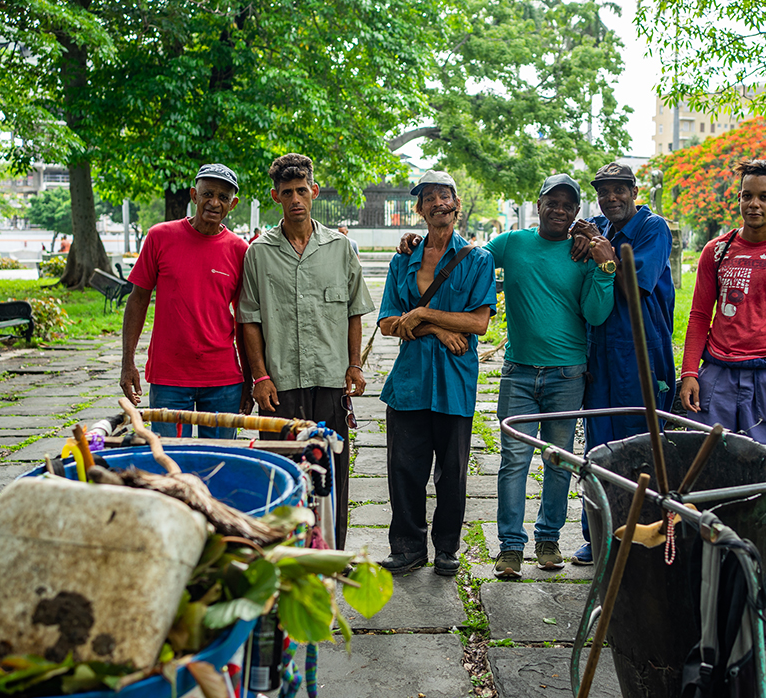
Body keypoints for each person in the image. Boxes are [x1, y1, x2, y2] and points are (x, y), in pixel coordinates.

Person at [396, 174, 617, 578]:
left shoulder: (582, 253)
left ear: (576, 212)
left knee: (558, 462)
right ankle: (511, 547)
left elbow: (596, 314)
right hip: (518, 372)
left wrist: (604, 269)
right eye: (552, 202)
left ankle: (548, 540)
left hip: (568, 373)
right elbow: (465, 258)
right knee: (513, 462)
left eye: (569, 205)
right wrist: (418, 240)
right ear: (538, 205)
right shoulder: (512, 243)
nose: (559, 210)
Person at [238, 153, 374, 551]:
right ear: (275, 196)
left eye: (302, 190)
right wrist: (259, 376)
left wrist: (354, 365)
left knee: (331, 470)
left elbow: (353, 311)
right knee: (282, 468)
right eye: (286, 193)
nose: (295, 198)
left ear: (313, 192)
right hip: (280, 384)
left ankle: (331, 550)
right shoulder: (258, 254)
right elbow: (250, 319)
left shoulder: (340, 248)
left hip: (331, 380)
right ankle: (286, 549)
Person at [378, 170, 496, 576]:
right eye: (428, 197)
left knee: (453, 474)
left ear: (456, 204)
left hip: (454, 382)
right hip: (409, 382)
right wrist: (437, 328)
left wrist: (425, 313)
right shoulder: (403, 260)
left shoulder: (479, 259)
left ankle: (447, 548)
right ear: (419, 209)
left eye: (444, 195)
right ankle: (407, 547)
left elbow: (480, 324)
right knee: (404, 469)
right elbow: (389, 323)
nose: (437, 202)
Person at [566, 161, 677, 565]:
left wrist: (603, 252)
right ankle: (597, 537)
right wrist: (584, 236)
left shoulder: (653, 229)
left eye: (619, 190)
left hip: (640, 352)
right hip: (600, 354)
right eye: (603, 191)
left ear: (634, 191)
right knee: (598, 447)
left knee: (641, 447)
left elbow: (633, 282)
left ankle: (642, 536)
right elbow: (577, 232)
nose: (611, 198)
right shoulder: (600, 225)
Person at [679, 159, 766, 452]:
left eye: (764, 197)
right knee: (706, 463)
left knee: (762, 470)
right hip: (717, 375)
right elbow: (700, 316)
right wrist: (689, 373)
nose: (754, 204)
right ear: (739, 198)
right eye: (747, 196)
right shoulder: (716, 250)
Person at [121, 163, 250, 439]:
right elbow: (138, 299)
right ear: (194, 195)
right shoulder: (160, 237)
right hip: (169, 377)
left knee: (217, 463)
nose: (214, 203)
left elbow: (245, 319)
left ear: (233, 204)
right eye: (207, 194)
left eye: (223, 197)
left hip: (223, 381)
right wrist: (127, 361)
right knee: (170, 462)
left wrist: (249, 380)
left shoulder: (240, 250)